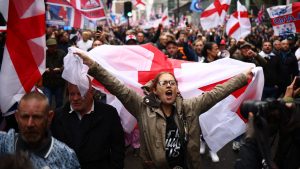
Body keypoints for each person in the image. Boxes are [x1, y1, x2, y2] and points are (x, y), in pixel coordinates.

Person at [73, 51, 252, 169]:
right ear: (155, 90)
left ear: (176, 89)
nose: (169, 86)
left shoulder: (190, 107)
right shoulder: (142, 107)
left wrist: (242, 78)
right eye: (164, 83)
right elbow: (117, 86)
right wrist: (93, 66)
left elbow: (217, 93)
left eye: (172, 83)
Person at [51, 82, 125, 169]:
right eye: (72, 94)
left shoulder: (109, 113)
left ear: (91, 92)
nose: (75, 98)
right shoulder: (58, 116)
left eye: (80, 94)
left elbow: (118, 148)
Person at [0, 92, 80, 168]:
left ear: (49, 117)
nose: (30, 124)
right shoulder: (4, 144)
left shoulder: (66, 156)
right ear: (17, 117)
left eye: (37, 117)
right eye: (25, 117)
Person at [42, 38, 66, 109]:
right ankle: (47, 118)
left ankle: (58, 118)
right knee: (47, 102)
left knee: (59, 102)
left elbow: (67, 65)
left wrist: (60, 69)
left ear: (56, 46)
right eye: (50, 46)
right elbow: (39, 65)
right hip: (47, 81)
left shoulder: (62, 53)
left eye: (53, 46)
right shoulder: (43, 54)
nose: (52, 48)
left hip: (59, 82)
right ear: (47, 46)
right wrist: (44, 69)